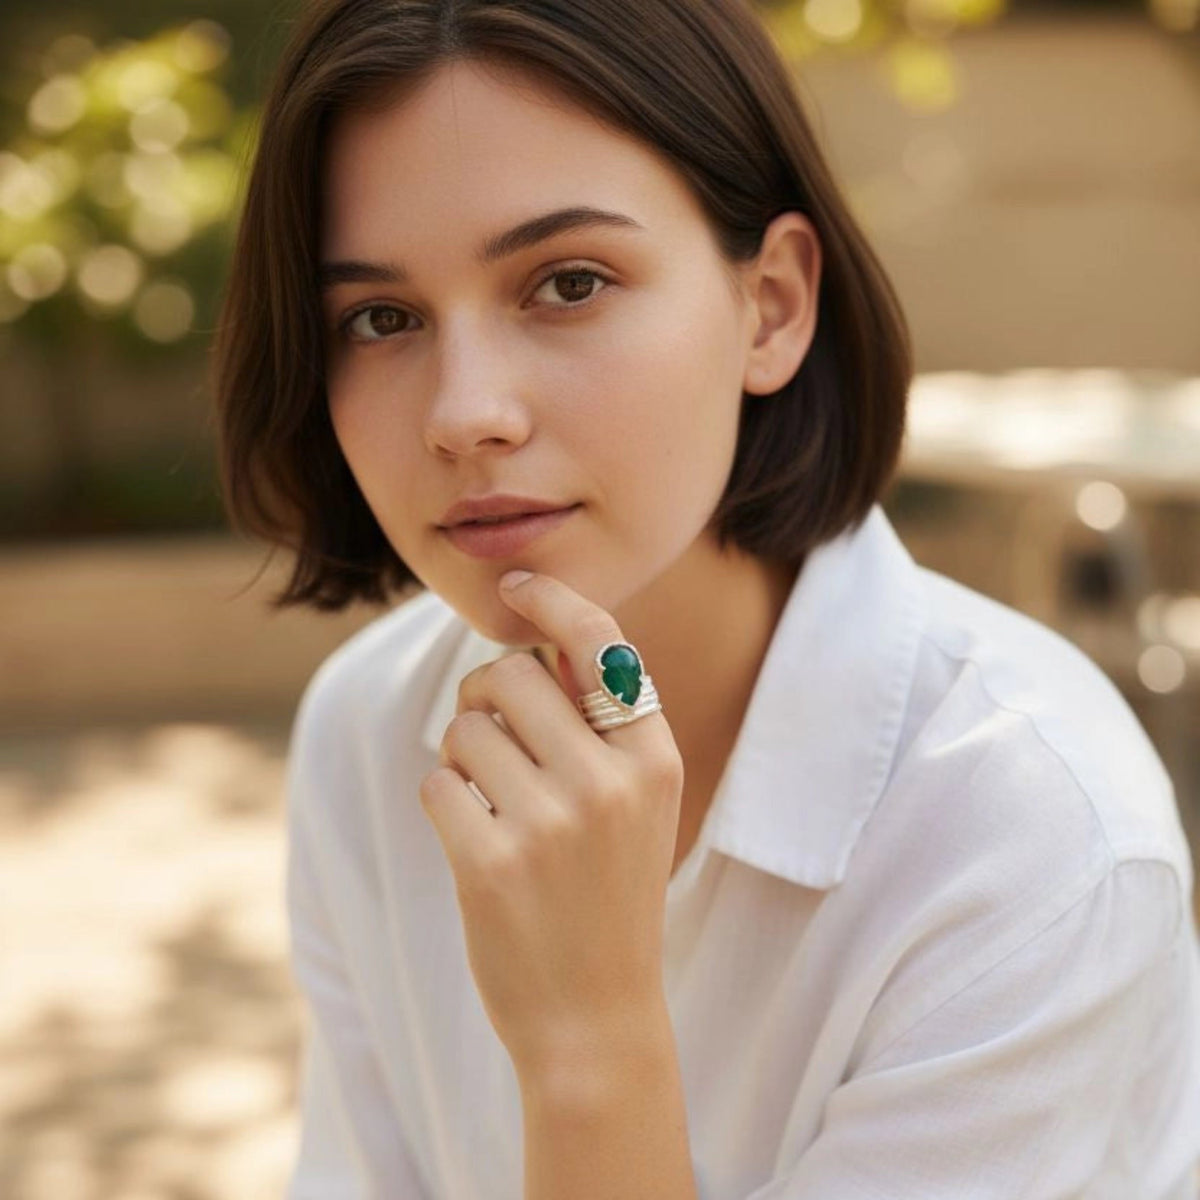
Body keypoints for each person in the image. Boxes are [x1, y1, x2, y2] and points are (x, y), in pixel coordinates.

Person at [211, 1, 1200, 1196]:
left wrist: (590, 1049)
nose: (463, 412)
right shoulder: (372, 733)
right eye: (379, 318)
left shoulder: (1033, 832)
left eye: (568, 282)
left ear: (771, 305)